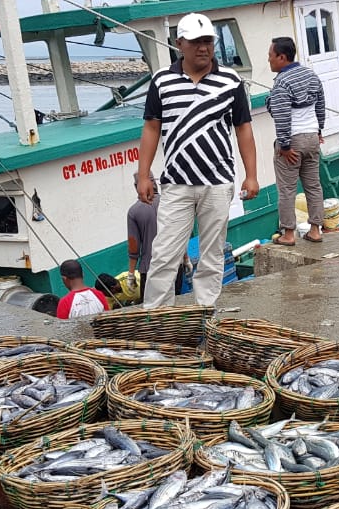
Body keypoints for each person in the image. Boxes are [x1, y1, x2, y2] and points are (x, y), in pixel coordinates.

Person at [137, 12, 259, 308]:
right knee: (164, 254)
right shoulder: (162, 81)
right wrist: (143, 175)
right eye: (196, 42)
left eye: (208, 41)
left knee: (212, 254)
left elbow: (243, 128)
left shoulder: (230, 81)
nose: (203, 47)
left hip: (217, 183)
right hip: (176, 183)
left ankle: (205, 312)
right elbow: (151, 127)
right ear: (180, 43)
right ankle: (157, 317)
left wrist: (251, 175)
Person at [267, 35, 326, 246]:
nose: (268, 59)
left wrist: (284, 145)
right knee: (313, 185)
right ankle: (316, 230)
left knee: (287, 189)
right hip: (312, 137)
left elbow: (282, 116)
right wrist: (319, 130)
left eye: (270, 55)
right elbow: (321, 105)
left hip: (292, 141)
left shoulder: (281, 83)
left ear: (282, 57)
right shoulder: (311, 75)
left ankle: (289, 234)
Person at [126, 174, 189, 304]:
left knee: (152, 307)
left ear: (136, 186)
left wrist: (131, 274)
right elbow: (179, 234)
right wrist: (185, 258)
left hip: (150, 267)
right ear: (154, 183)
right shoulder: (170, 203)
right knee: (174, 303)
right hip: (175, 263)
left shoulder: (134, 212)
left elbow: (134, 247)